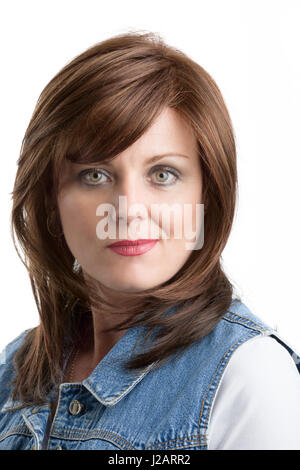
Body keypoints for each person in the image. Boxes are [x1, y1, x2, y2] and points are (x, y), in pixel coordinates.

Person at [1, 31, 300, 451]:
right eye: (95, 175)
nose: (128, 209)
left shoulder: (249, 377)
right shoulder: (14, 369)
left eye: (163, 174)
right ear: (52, 201)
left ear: (207, 197)